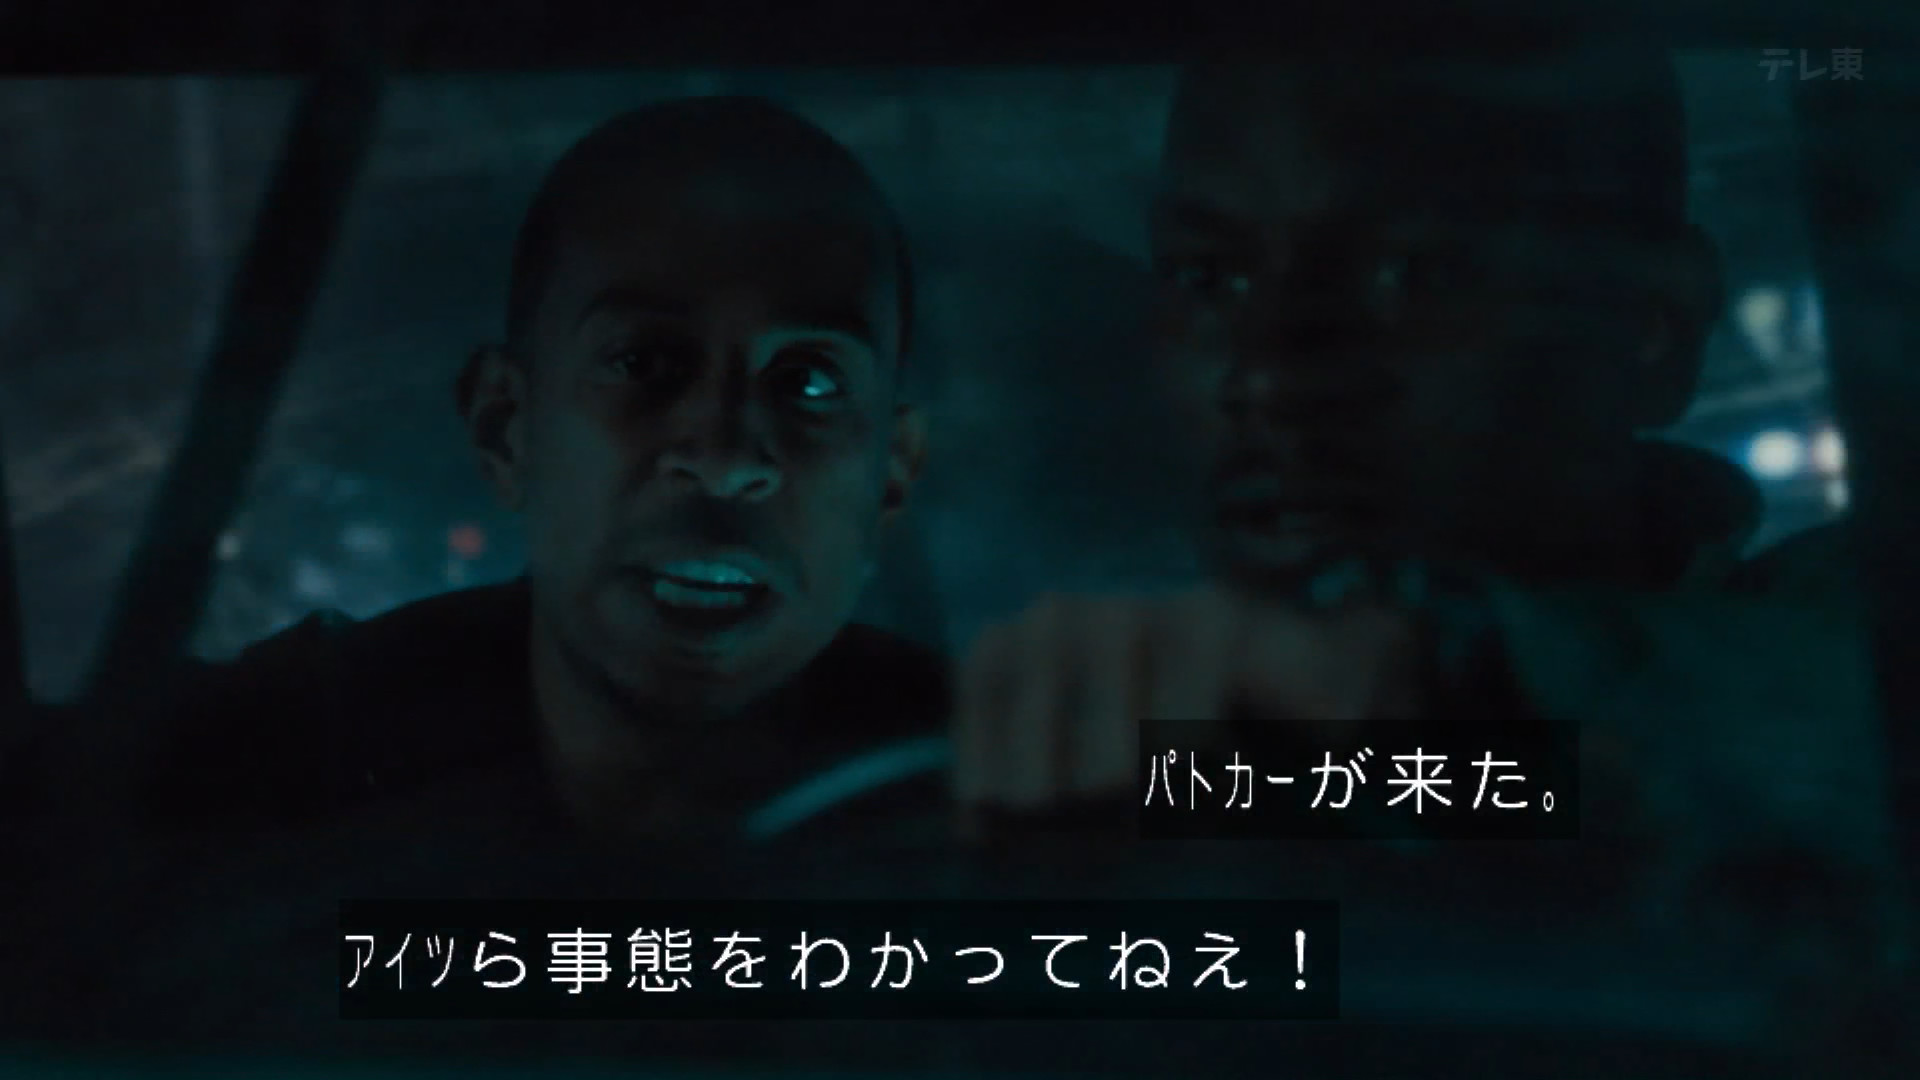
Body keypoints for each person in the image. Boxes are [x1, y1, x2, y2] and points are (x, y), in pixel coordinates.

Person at [951, 45, 1903, 1003]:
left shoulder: (1825, 645)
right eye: (1211, 279)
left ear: (1651, 323)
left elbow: (1824, 707)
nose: (1269, 373)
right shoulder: (1099, 713)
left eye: (1416, 273)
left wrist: (1462, 668)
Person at [101, 96, 939, 845]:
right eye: (644, 364)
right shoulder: (289, 747)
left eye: (810, 384)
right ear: (505, 429)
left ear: (892, 476)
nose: (722, 461)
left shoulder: (979, 775)